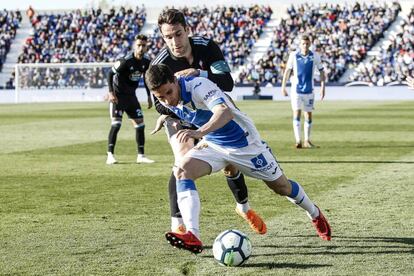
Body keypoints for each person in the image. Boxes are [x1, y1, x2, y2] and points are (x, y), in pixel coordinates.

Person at [145, 64, 332, 254]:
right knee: (182, 170)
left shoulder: (199, 85)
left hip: (246, 144)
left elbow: (224, 112)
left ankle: (314, 213)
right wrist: (165, 116)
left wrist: (198, 133)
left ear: (175, 82)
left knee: (282, 187)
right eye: (161, 97)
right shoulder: (168, 99)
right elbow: (171, 103)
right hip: (214, 145)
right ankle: (193, 235)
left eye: (169, 92)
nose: (168, 99)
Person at [150, 8, 266, 235]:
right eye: (168, 37)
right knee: (182, 162)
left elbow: (227, 82)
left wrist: (198, 73)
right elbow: (157, 103)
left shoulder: (207, 47)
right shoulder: (161, 63)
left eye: (178, 34)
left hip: (211, 110)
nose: (175, 42)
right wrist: (175, 110)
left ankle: (243, 207)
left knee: (231, 162)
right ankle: (178, 225)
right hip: (181, 115)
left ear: (187, 30)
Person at [106, 34, 155, 165]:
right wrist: (111, 93)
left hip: (131, 97)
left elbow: (147, 79)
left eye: (143, 46)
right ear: (135, 45)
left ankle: (141, 156)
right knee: (116, 124)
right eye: (138, 45)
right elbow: (110, 74)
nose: (141, 48)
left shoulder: (146, 62)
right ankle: (110, 155)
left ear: (146, 47)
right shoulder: (125, 61)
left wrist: (149, 96)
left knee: (140, 124)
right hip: (118, 96)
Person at [281, 35, 326, 149]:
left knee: (308, 115)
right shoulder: (293, 55)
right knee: (296, 113)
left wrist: (323, 86)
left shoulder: (315, 56)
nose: (305, 46)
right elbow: (287, 71)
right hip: (296, 90)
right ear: (300, 45)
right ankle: (298, 140)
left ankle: (307, 140)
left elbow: (321, 71)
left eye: (307, 44)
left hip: (309, 90)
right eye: (303, 44)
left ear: (310, 44)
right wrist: (283, 86)